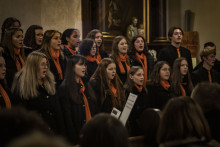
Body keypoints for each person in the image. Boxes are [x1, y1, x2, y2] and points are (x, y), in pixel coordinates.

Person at [11, 51, 65, 136]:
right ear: (33, 67)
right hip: (34, 135)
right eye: (42, 64)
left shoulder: (49, 83)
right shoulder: (23, 86)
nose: (46, 67)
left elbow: (58, 112)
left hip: (52, 133)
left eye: (46, 64)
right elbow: (21, 117)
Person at [56, 55, 95, 145]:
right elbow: (67, 118)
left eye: (85, 65)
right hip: (76, 136)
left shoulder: (85, 84)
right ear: (72, 67)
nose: (84, 67)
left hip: (89, 132)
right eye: (81, 64)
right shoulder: (65, 88)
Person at [124, 66, 150, 136]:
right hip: (133, 127)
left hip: (143, 124)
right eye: (139, 75)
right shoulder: (128, 91)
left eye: (143, 75)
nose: (142, 77)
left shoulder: (144, 90)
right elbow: (128, 113)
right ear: (131, 76)